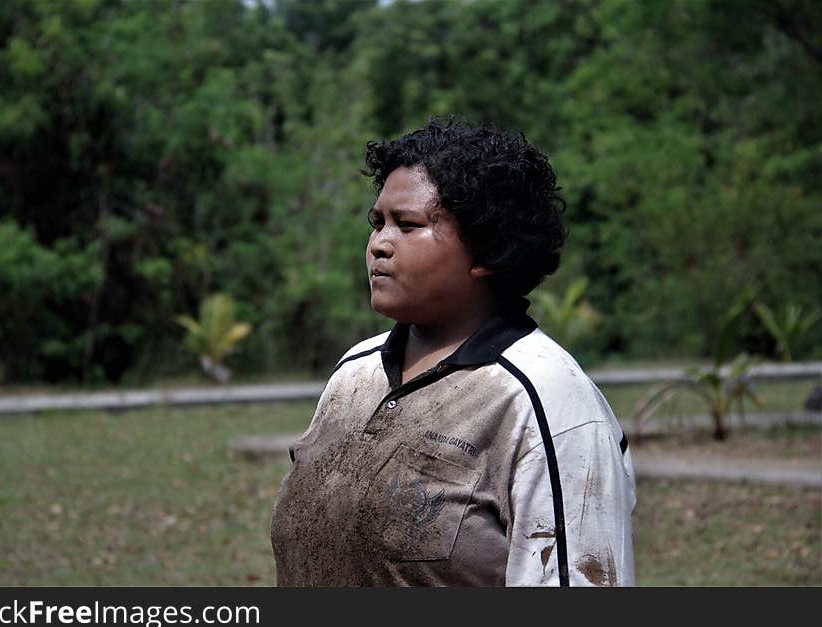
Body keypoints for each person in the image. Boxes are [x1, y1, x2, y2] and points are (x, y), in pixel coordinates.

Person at [270, 117, 636, 586]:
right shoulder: (355, 372)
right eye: (377, 223)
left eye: (408, 225)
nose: (379, 244)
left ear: (487, 250)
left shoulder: (544, 399)